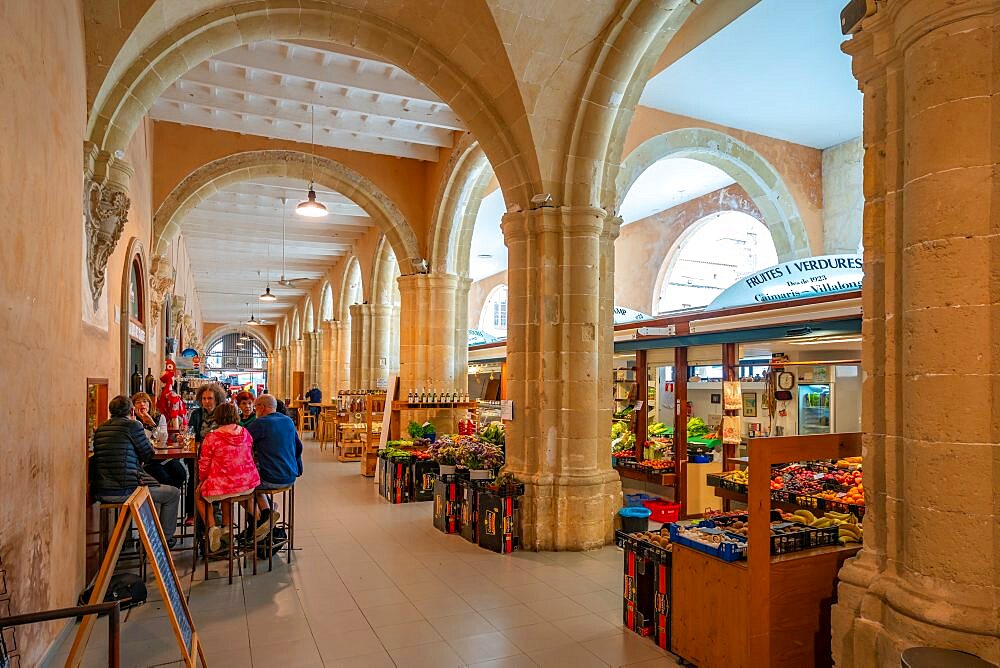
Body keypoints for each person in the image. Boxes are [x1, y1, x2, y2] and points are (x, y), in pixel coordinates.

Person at [90, 395, 180, 547]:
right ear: (132, 410)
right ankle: (164, 541)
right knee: (173, 493)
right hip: (124, 489)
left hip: (100, 490)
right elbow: (148, 454)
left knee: (175, 472)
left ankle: (140, 537)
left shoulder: (101, 429)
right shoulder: (133, 426)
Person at [195, 403, 261, 553]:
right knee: (228, 497)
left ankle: (212, 528)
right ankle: (227, 529)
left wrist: (202, 480)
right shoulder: (245, 432)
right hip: (248, 484)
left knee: (199, 495)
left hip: (224, 485)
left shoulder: (212, 437)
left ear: (218, 417)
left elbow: (204, 464)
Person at [245, 394, 303, 541]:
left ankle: (263, 521)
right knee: (256, 485)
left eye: (255, 407)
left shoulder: (260, 423)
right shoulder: (288, 421)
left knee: (246, 488)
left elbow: (242, 442)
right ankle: (267, 515)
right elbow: (299, 447)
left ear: (262, 408)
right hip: (290, 476)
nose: (254, 411)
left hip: (271, 478)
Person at [183, 382, 228, 522]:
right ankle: (192, 513)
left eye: (210, 398)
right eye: (204, 398)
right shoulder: (196, 414)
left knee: (214, 482)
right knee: (194, 480)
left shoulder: (223, 413)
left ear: (217, 399)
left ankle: (215, 512)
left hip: (218, 457)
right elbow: (191, 433)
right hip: (200, 454)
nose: (206, 402)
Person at [131, 391, 187, 491]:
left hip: (162, 457)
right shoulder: (132, 421)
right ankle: (167, 497)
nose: (142, 404)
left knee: (180, 472)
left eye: (145, 401)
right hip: (146, 461)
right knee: (164, 477)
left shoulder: (159, 417)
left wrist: (152, 424)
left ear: (149, 404)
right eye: (138, 402)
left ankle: (168, 497)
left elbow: (162, 440)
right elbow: (142, 442)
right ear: (133, 407)